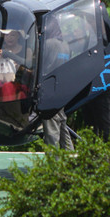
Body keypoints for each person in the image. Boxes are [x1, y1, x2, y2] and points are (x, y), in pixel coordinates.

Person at [42, 20, 74, 149]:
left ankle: (53, 163)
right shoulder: (65, 45)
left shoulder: (49, 44)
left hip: (49, 90)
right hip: (61, 89)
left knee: (51, 130)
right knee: (61, 124)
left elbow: (42, 66)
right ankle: (70, 156)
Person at [0, 28, 27, 102]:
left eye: (12, 35)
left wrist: (9, 55)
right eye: (6, 35)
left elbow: (28, 64)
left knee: (8, 87)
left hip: (17, 82)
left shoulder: (25, 49)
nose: (9, 38)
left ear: (18, 36)